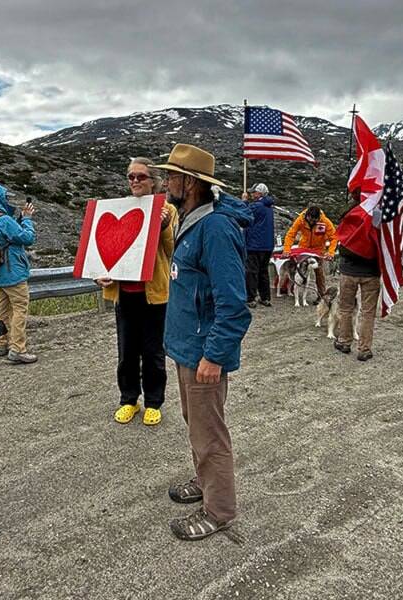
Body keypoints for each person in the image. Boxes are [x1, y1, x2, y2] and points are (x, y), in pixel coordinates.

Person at [155, 143, 252, 541]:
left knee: (209, 433)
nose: (166, 182)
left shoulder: (215, 228)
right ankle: (205, 480)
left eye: (172, 176)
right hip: (186, 348)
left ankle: (219, 510)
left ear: (190, 182)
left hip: (202, 354)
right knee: (196, 426)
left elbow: (234, 304)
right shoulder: (189, 218)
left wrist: (214, 355)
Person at [95, 158, 178, 426]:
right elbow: (110, 249)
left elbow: (172, 250)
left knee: (154, 351)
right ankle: (129, 399)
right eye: (130, 176)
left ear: (153, 181)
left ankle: (154, 401)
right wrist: (103, 272)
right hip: (126, 294)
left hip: (154, 294)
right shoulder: (120, 209)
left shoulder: (168, 210)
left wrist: (164, 227)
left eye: (140, 177)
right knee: (126, 351)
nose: (134, 181)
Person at [0, 182, 37, 364]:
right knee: (19, 309)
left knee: (2, 310)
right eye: (5, 197)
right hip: (13, 271)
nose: (7, 200)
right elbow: (27, 238)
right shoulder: (4, 220)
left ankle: (1, 343)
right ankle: (18, 348)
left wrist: (19, 221)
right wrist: (27, 219)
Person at [281, 206, 337, 298]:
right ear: (307, 216)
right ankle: (293, 290)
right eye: (310, 220)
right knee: (299, 269)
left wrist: (331, 252)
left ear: (318, 218)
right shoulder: (300, 220)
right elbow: (291, 234)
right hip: (304, 248)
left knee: (319, 272)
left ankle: (321, 296)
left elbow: (334, 237)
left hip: (319, 250)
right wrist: (286, 249)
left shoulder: (325, 222)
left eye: (314, 221)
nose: (311, 222)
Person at [244, 182, 275, 308]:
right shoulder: (269, 206)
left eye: (253, 192)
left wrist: (244, 201)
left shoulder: (257, 206)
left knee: (251, 271)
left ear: (259, 193)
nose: (251, 194)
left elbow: (244, 214)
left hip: (254, 244)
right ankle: (265, 297)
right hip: (267, 245)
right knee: (263, 271)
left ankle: (251, 298)